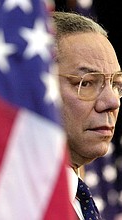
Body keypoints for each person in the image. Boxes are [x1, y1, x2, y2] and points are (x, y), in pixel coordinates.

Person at [52, 11, 122, 220]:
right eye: (87, 83)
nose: (112, 102)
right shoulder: (6, 201)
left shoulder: (78, 201)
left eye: (116, 85)